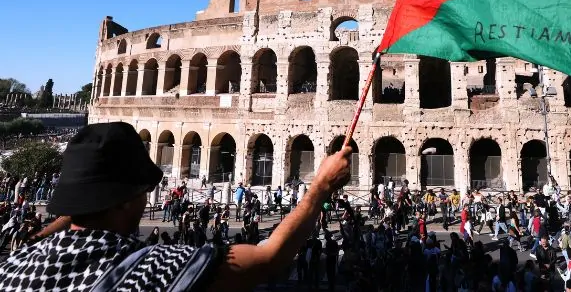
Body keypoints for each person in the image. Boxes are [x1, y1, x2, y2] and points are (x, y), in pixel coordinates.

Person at [0, 122, 353, 291]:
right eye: (143, 190)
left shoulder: (13, 269)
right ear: (126, 199)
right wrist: (319, 188)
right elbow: (270, 259)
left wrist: (74, 205)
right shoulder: (153, 269)